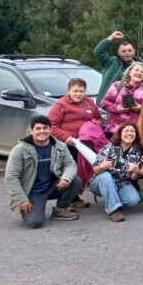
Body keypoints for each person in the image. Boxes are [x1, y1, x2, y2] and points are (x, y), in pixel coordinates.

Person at [3, 115, 81, 228]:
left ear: (50, 130)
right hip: (32, 192)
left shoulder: (60, 146)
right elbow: (11, 177)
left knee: (75, 181)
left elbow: (70, 164)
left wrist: (66, 178)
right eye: (38, 128)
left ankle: (60, 209)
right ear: (32, 131)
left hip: (53, 187)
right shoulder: (19, 150)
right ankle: (33, 208)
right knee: (35, 222)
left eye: (45, 128)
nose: (42, 131)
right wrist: (22, 200)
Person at [48, 77, 101, 208]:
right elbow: (51, 125)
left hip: (85, 144)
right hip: (67, 144)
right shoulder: (60, 104)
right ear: (69, 91)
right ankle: (66, 201)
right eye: (75, 91)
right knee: (68, 172)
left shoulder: (89, 102)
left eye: (81, 91)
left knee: (81, 172)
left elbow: (98, 118)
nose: (78, 94)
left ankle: (74, 198)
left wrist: (94, 124)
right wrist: (67, 138)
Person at [88, 123, 143, 222]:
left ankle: (113, 199)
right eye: (126, 131)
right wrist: (102, 167)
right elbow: (95, 170)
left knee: (133, 200)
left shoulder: (136, 151)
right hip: (100, 182)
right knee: (106, 176)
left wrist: (137, 171)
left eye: (132, 131)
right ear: (120, 134)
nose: (129, 133)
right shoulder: (110, 147)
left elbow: (133, 177)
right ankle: (113, 210)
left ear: (136, 134)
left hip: (121, 182)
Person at [100, 61, 143, 136]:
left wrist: (141, 108)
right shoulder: (118, 85)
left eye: (142, 72)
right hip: (115, 129)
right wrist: (119, 108)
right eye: (136, 70)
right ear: (130, 72)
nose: (139, 73)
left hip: (137, 131)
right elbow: (104, 103)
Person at [94, 30, 143, 103]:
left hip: (132, 106)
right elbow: (98, 52)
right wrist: (112, 37)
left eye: (129, 51)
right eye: (124, 51)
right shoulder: (111, 62)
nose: (127, 53)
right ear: (119, 53)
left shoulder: (142, 66)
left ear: (134, 51)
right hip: (107, 105)